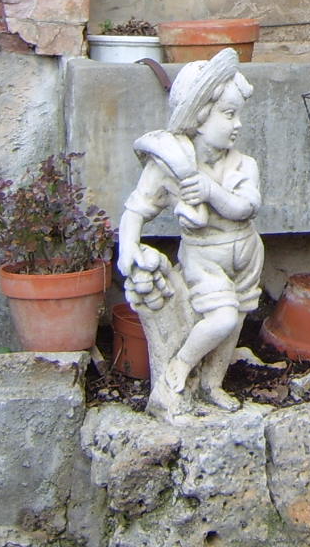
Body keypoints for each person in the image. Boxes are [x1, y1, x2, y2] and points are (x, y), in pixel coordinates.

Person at [117, 48, 261, 410]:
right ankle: (181, 364)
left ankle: (213, 385)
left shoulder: (244, 165)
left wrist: (211, 191)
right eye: (228, 114)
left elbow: (246, 207)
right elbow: (136, 209)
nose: (237, 124)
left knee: (239, 317)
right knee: (222, 317)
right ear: (199, 117)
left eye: (237, 114)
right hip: (204, 256)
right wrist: (128, 248)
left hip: (247, 251)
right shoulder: (169, 167)